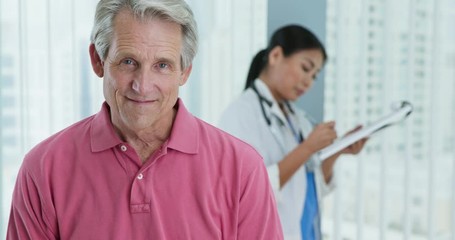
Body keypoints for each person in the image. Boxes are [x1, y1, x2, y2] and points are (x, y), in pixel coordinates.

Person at [6, 0, 284, 239]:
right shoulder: (42, 170)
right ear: (97, 60)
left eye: (162, 65)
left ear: (184, 72)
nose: (143, 85)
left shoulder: (243, 170)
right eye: (128, 61)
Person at [218, 25, 368, 240]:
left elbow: (311, 185)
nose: (309, 81)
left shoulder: (297, 118)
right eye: (306, 68)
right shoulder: (241, 114)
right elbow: (249, 192)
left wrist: (337, 151)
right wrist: (307, 148)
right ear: (276, 55)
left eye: (315, 76)